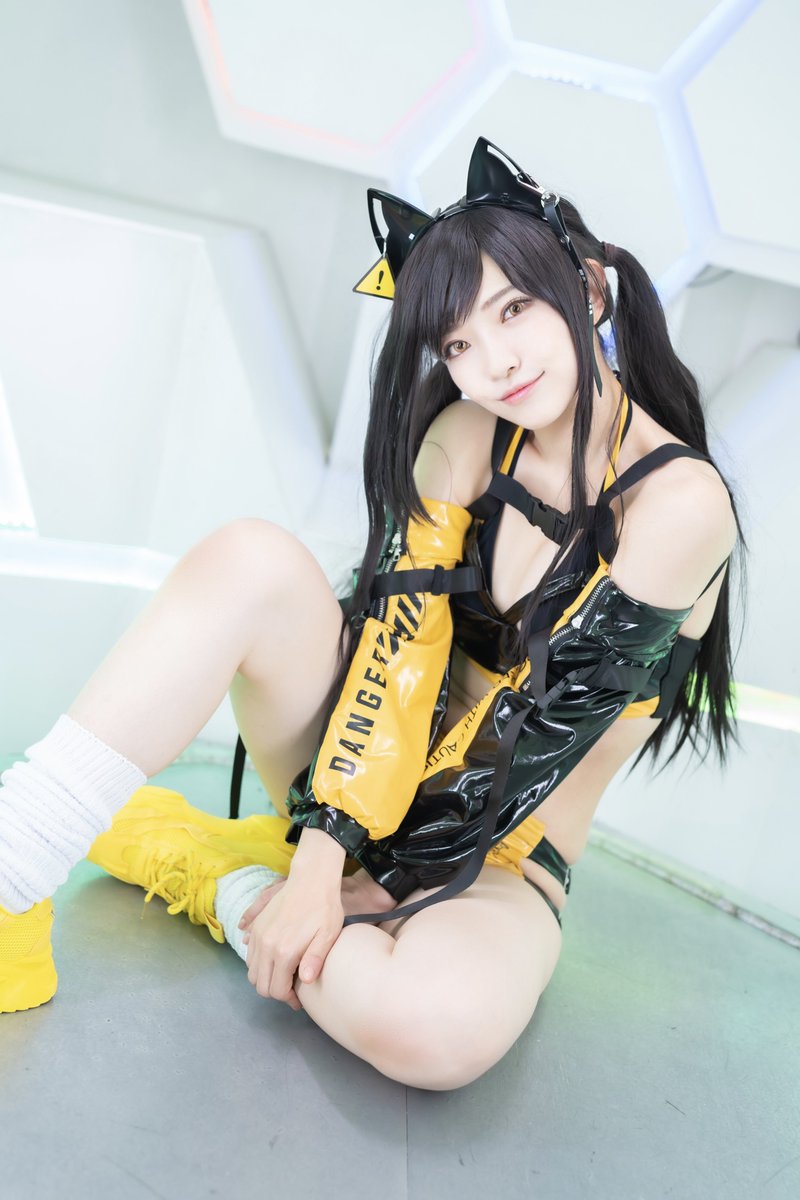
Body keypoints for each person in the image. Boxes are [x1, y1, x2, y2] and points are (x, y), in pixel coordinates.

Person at [0, 138, 742, 1091]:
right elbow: (398, 649)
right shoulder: (468, 433)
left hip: (500, 851)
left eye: (514, 309)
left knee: (435, 1032)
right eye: (457, 344)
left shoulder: (680, 505)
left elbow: (533, 739)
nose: (493, 364)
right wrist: (326, 859)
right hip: (346, 774)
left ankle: (222, 878)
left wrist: (365, 878)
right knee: (252, 559)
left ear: (589, 290)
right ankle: (15, 865)